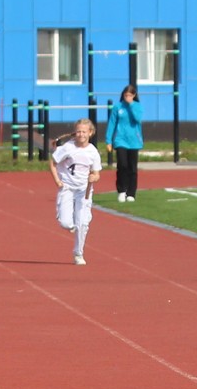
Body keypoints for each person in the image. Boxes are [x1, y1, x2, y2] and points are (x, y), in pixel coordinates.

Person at [51, 117, 104, 266]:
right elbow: (53, 163)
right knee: (66, 223)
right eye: (78, 131)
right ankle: (68, 222)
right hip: (67, 188)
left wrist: (94, 177)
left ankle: (78, 253)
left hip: (83, 191)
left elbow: (96, 173)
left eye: (84, 132)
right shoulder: (68, 147)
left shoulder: (93, 152)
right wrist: (57, 180)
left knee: (83, 223)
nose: (81, 134)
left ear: (90, 133)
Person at [104, 83, 143, 203]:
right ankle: (122, 190)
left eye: (130, 95)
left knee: (132, 168)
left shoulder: (137, 106)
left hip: (134, 141)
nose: (127, 98)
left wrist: (131, 105)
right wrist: (108, 140)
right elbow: (112, 123)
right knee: (122, 165)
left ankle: (131, 193)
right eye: (126, 95)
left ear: (134, 95)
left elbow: (137, 118)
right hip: (120, 140)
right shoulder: (117, 107)